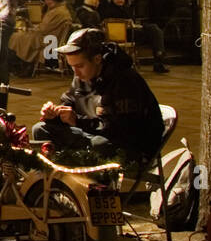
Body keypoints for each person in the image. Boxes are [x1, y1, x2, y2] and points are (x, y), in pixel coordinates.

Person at [32, 28, 164, 163]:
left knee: (100, 145)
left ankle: (85, 179)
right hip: (92, 133)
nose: (76, 73)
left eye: (79, 66)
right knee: (40, 129)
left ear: (97, 59)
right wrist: (56, 114)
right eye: (72, 67)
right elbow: (70, 100)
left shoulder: (124, 80)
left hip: (129, 145)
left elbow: (123, 131)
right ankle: (58, 177)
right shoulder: (83, 76)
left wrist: (77, 121)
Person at [100, 0, 169, 73]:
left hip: (133, 31)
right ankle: (159, 56)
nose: (120, 0)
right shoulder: (109, 11)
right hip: (124, 35)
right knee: (154, 32)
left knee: (154, 31)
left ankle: (159, 57)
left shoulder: (127, 9)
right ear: (113, 0)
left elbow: (132, 22)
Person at [8, 0, 73, 74]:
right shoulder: (60, 10)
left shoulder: (56, 12)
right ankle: (21, 64)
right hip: (50, 37)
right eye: (46, 0)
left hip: (47, 40)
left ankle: (22, 64)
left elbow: (43, 29)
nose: (47, 2)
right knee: (18, 37)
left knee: (16, 37)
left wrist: (30, 28)